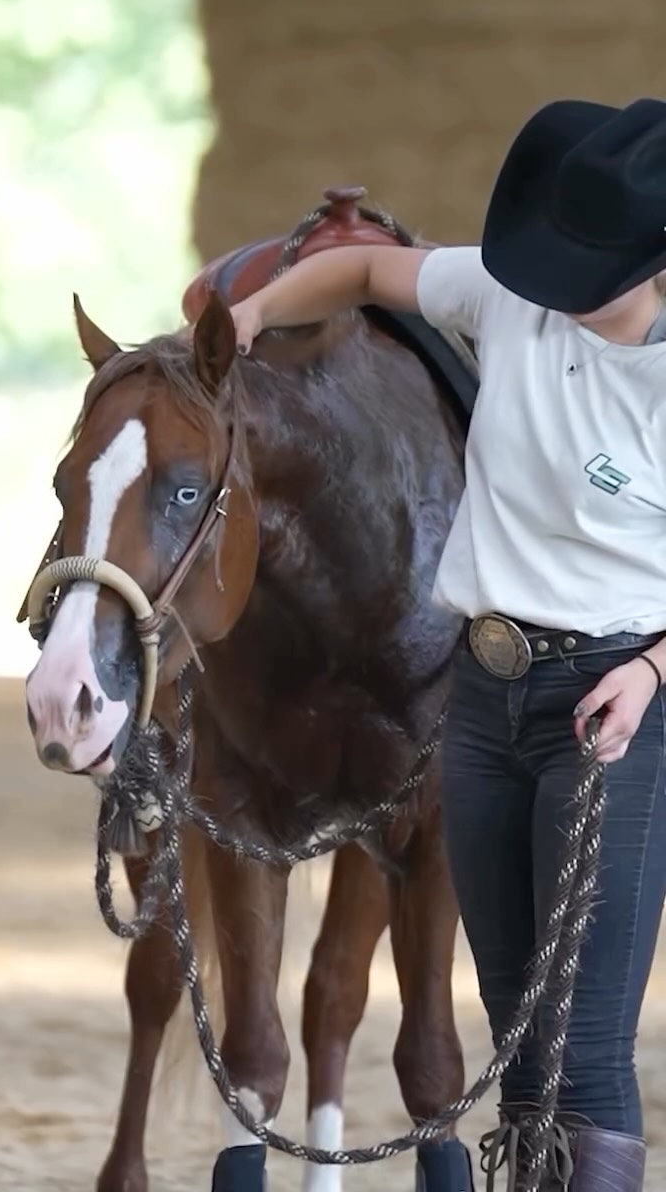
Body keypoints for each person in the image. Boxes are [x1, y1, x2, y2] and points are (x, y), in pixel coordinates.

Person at [228, 98, 666, 1191]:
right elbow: (372, 272)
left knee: (586, 1040)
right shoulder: (512, 296)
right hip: (481, 698)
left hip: (614, 702)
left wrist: (652, 670)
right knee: (515, 1026)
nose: (558, 279)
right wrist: (252, 316)